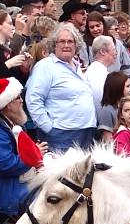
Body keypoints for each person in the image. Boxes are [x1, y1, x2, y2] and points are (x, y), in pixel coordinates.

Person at [0, 76, 46, 216]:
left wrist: (36, 151)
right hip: (0, 187)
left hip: (17, 179)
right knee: (52, 194)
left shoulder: (15, 126)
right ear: (6, 104)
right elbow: (7, 166)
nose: (21, 100)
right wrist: (34, 154)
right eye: (17, 98)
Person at [25, 23, 97, 152]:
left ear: (76, 45)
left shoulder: (77, 66)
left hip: (85, 132)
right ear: (55, 44)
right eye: (62, 41)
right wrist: (48, 128)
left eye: (70, 41)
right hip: (60, 135)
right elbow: (33, 99)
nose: (66, 45)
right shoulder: (45, 66)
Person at [96, 72, 130, 142]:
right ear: (117, 87)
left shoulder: (125, 106)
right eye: (127, 86)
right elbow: (108, 139)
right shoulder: (107, 111)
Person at [83, 35, 116, 107]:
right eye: (113, 49)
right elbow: (100, 103)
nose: (116, 53)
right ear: (103, 52)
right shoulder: (97, 75)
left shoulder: (97, 70)